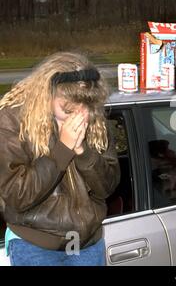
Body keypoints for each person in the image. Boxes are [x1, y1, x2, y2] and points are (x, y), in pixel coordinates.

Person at [0, 52, 120, 266]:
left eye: (86, 105)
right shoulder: (13, 120)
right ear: (47, 93)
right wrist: (63, 149)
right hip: (36, 247)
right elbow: (16, 195)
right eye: (70, 106)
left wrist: (83, 151)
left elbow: (107, 187)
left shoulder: (95, 121)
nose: (81, 113)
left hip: (88, 246)